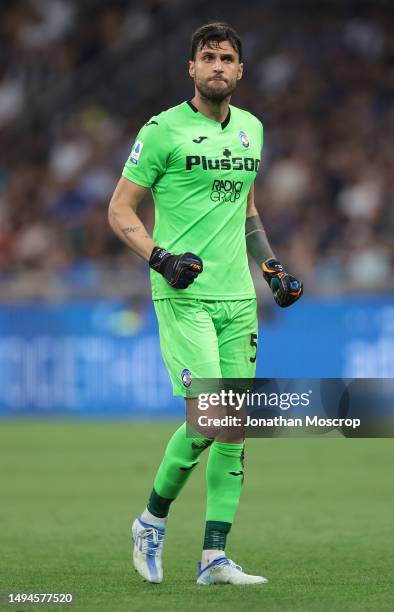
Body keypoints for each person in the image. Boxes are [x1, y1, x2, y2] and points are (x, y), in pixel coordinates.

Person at [108, 21, 303, 586]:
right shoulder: (162, 130)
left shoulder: (252, 130)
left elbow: (244, 208)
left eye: (227, 58)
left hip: (237, 300)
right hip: (183, 296)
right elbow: (120, 211)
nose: (217, 66)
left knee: (234, 427)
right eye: (207, 57)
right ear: (191, 69)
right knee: (210, 418)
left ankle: (214, 557)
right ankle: (151, 520)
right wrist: (161, 258)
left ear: (241, 71)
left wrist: (271, 267)